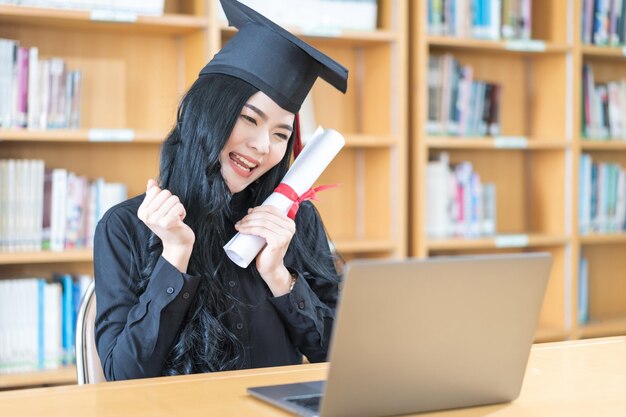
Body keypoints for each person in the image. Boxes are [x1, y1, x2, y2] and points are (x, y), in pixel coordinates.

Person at [93, 0, 349, 381]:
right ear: (208, 113)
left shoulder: (293, 222)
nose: (264, 146)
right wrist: (175, 257)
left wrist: (280, 277)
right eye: (249, 118)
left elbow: (343, 356)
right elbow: (123, 377)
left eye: (281, 133)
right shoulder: (126, 227)